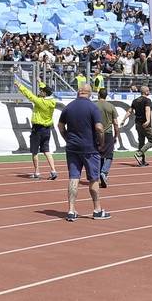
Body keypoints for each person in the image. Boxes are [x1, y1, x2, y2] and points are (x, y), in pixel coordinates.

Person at [58, 84, 108, 221]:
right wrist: (101, 142)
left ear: (78, 92)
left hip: (72, 148)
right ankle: (97, 210)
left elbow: (60, 126)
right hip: (90, 148)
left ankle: (71, 210)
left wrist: (67, 138)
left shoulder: (68, 107)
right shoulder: (93, 107)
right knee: (93, 179)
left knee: (74, 177)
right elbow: (99, 127)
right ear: (90, 93)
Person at [15, 77, 58, 179]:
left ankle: (37, 172)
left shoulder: (41, 102)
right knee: (46, 150)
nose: (40, 92)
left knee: (34, 151)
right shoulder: (52, 101)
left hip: (37, 129)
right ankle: (53, 170)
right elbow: (45, 90)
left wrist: (19, 85)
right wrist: (40, 82)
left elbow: (29, 95)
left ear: (44, 93)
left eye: (41, 91)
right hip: (47, 129)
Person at [94, 88, 119, 187]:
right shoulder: (111, 106)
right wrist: (116, 135)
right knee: (109, 155)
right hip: (108, 133)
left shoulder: (93, 106)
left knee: (99, 154)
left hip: (96, 133)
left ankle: (100, 175)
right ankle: (104, 172)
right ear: (106, 95)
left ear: (99, 95)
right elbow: (116, 123)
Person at [127, 86, 152, 166]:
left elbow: (129, 111)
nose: (149, 91)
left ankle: (142, 161)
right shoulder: (147, 100)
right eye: (148, 90)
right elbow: (147, 110)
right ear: (146, 92)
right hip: (145, 124)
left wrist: (123, 120)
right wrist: (148, 120)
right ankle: (139, 154)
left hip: (137, 124)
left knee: (141, 142)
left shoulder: (135, 100)